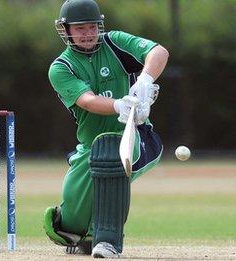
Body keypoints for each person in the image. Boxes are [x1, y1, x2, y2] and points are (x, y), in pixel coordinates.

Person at [43, 0, 168, 258]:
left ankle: (108, 241)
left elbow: (159, 52)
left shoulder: (115, 42)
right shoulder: (61, 67)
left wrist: (145, 80)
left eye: (92, 27)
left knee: (112, 159)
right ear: (65, 30)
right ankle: (84, 232)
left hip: (135, 135)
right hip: (89, 146)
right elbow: (87, 100)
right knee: (71, 226)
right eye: (80, 28)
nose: (88, 33)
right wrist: (120, 105)